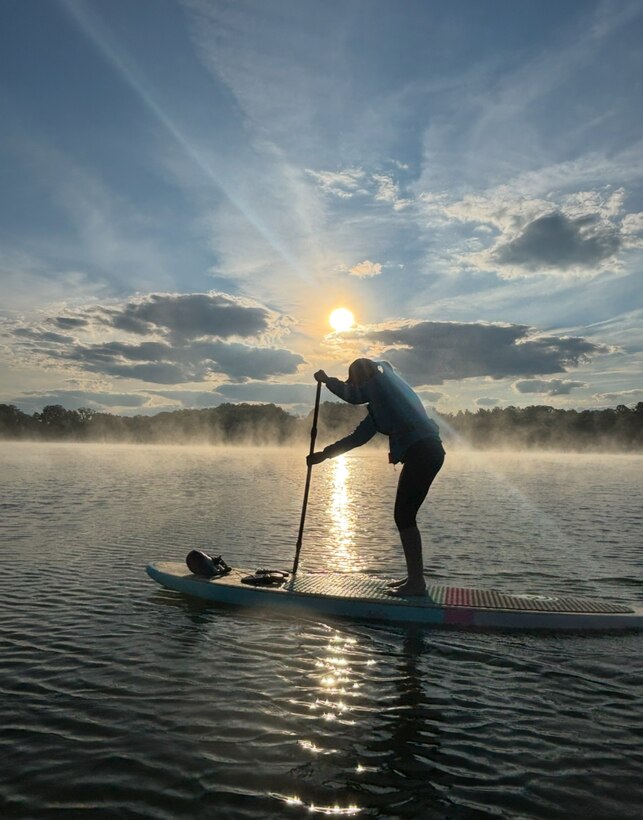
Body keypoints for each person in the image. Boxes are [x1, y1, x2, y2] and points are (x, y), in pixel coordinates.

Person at [307, 358, 445, 596]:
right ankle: (414, 579)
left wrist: (328, 380)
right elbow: (356, 438)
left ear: (362, 377)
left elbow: (352, 395)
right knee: (404, 515)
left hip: (425, 452)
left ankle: (416, 583)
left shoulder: (382, 383)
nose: (356, 386)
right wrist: (324, 455)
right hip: (422, 454)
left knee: (404, 515)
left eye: (355, 380)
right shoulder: (380, 404)